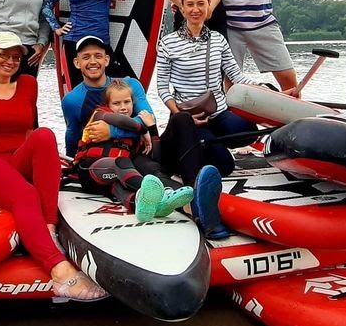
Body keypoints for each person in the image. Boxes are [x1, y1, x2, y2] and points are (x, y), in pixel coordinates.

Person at [0, 31, 106, 301]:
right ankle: (58, 270)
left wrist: (48, 155)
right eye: (3, 54)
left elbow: (31, 129)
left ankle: (48, 229)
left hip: (14, 159)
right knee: (26, 193)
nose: (11, 60)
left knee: (46, 136)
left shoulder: (28, 84)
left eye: (16, 56)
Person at [61, 33, 230, 238]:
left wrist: (113, 130)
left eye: (98, 55)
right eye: (86, 57)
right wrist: (73, 169)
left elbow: (148, 119)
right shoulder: (72, 100)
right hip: (117, 161)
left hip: (143, 150)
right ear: (77, 63)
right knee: (147, 172)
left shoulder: (130, 84)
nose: (93, 61)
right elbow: (72, 136)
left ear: (106, 59)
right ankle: (194, 202)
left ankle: (194, 184)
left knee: (182, 119)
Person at [156, 0, 259, 180]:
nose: (196, 9)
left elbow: (236, 76)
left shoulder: (218, 39)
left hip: (218, 111)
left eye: (201, 3)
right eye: (190, 4)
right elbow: (162, 86)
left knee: (248, 131)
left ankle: (210, 140)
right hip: (189, 114)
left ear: (209, 5)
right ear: (182, 8)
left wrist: (265, 90)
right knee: (225, 166)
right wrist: (181, 115)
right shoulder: (167, 43)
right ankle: (196, 143)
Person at [72, 80, 194, 222]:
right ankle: (162, 193)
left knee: (125, 191)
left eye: (127, 102)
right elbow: (120, 120)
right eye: (116, 103)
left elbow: (156, 158)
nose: (123, 107)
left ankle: (154, 205)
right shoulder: (99, 114)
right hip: (90, 172)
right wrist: (143, 129)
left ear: (132, 103)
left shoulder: (133, 138)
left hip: (113, 180)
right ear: (108, 105)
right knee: (121, 162)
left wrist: (152, 128)